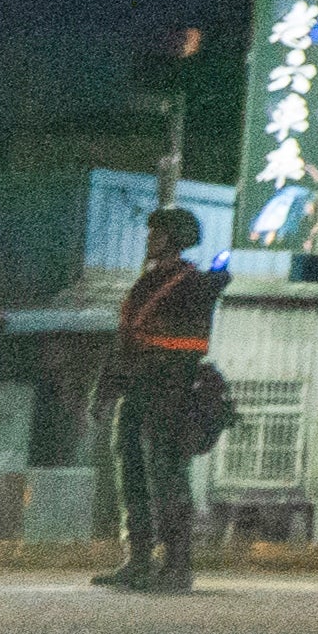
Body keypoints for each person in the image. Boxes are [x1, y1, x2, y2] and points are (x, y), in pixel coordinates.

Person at [99, 205, 226, 595]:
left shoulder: (192, 284)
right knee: (132, 476)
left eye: (157, 234)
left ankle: (176, 563)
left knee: (168, 478)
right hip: (136, 390)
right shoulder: (148, 283)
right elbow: (125, 342)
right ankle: (137, 559)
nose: (149, 240)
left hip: (168, 392)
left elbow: (182, 346)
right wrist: (105, 389)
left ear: (173, 239)